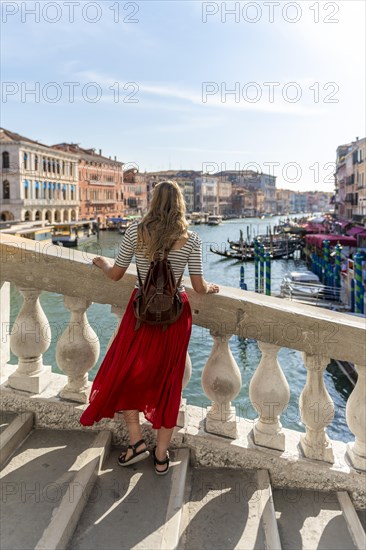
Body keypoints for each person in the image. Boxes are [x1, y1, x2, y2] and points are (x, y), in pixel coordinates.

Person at [79, 181, 219, 475]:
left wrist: (103, 263)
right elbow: (198, 287)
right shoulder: (191, 239)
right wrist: (211, 289)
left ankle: (136, 442)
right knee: (169, 382)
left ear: (153, 201)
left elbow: (116, 275)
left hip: (140, 314)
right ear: (180, 203)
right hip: (175, 318)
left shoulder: (135, 231)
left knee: (127, 373)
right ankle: (160, 455)